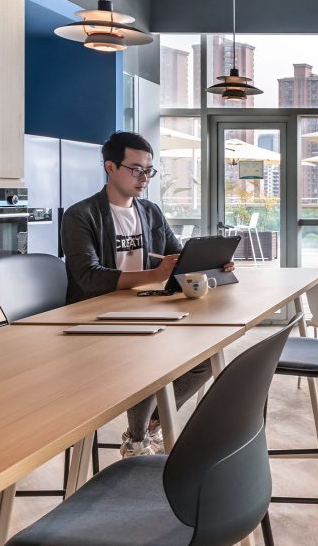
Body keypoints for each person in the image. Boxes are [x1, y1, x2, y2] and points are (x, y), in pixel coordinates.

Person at [61, 131, 233, 457]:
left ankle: (149, 428)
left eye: (149, 171)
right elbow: (87, 278)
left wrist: (210, 265)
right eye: (135, 169)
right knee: (148, 359)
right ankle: (138, 441)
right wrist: (154, 274)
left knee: (206, 358)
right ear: (110, 167)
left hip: (144, 308)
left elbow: (180, 259)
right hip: (94, 318)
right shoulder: (81, 215)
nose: (144, 178)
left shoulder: (150, 212)